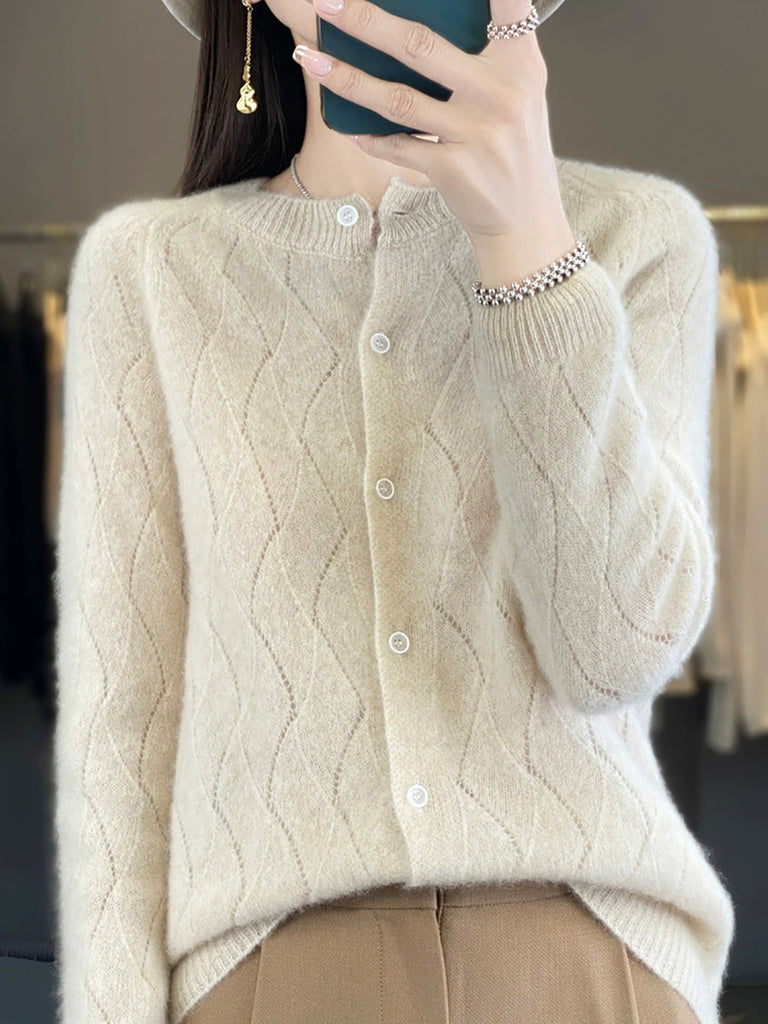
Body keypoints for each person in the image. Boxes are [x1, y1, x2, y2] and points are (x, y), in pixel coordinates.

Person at [51, 0, 736, 1022]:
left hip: (587, 962)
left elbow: (615, 655)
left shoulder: (636, 237)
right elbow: (122, 716)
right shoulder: (149, 269)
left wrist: (525, 241)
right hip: (268, 975)